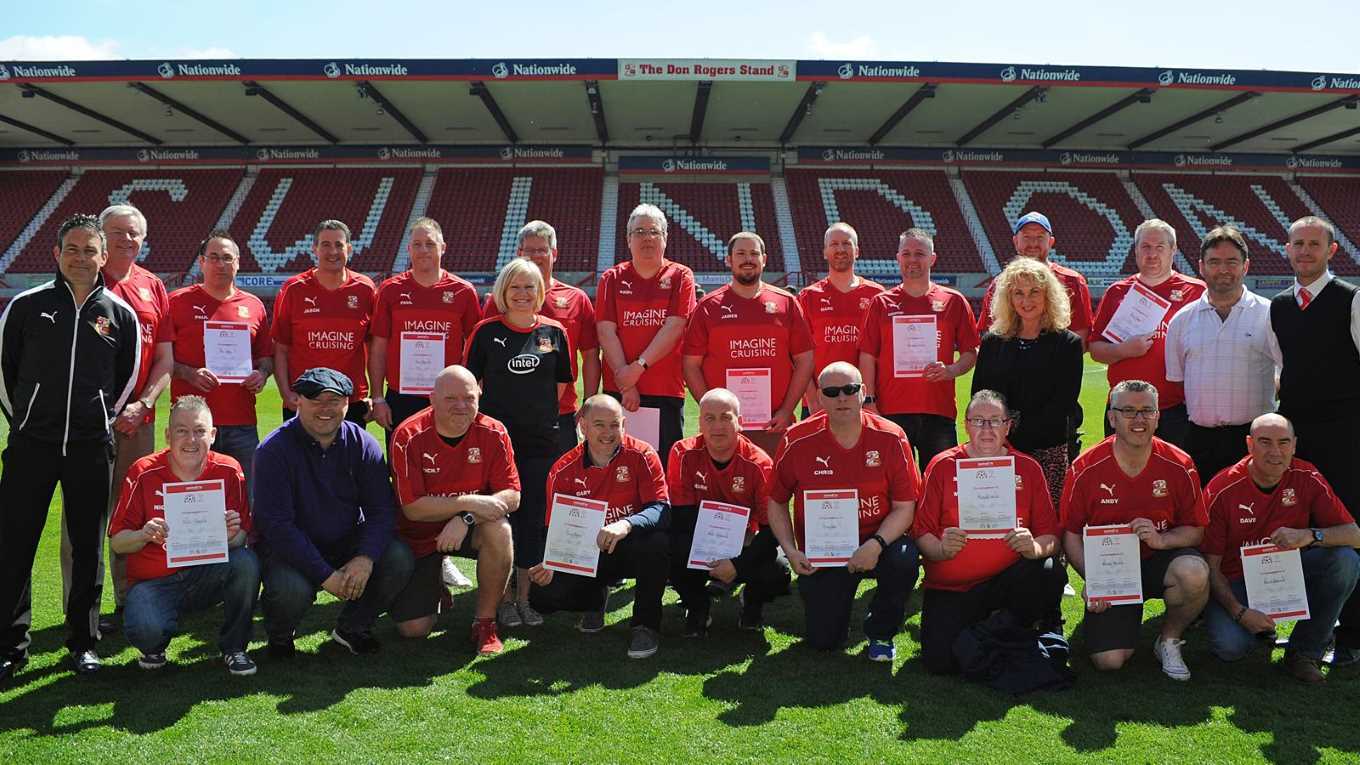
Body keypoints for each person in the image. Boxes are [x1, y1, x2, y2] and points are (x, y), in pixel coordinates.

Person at [0, 214, 142, 680]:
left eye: (90, 250)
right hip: (31, 446)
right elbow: (5, 372)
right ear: (57, 254)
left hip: (88, 448)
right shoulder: (25, 306)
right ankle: (9, 645)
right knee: (14, 544)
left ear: (104, 258)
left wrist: (98, 419)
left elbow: (124, 380)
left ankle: (83, 642)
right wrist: (24, 420)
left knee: (87, 547)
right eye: (73, 249)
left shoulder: (120, 315)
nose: (81, 258)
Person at [252, 368, 414, 657]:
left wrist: (364, 559)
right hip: (291, 547)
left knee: (397, 557)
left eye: (334, 400)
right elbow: (277, 526)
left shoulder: (363, 444)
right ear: (297, 401)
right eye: (316, 400)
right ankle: (280, 636)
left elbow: (381, 510)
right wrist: (327, 576)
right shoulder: (273, 450)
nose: (325, 409)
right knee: (289, 588)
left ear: (347, 404)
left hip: (345, 539)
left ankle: (352, 628)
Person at [766, 362, 921, 660]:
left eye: (850, 390)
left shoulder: (892, 436)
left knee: (904, 559)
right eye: (832, 392)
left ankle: (881, 631)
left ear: (863, 393)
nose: (842, 398)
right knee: (823, 641)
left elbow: (905, 507)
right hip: (826, 550)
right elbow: (775, 500)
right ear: (819, 399)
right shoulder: (797, 439)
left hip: (879, 540)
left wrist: (875, 545)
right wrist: (790, 549)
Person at [1062, 380, 1210, 680]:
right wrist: (1095, 578)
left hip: (1158, 559)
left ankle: (1168, 639)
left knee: (1193, 572)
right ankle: (1115, 618)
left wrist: (1161, 539)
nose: (1138, 419)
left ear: (1158, 417)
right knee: (1109, 662)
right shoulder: (1085, 467)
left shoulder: (1180, 464)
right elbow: (1070, 534)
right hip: (1111, 571)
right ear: (1111, 417)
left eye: (1147, 411)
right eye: (1128, 411)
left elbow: (1196, 530)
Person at [1201, 413, 1360, 683]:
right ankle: (1258, 630)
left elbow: (1354, 535)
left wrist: (1310, 535)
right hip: (1237, 583)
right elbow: (1210, 567)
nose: (1276, 452)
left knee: (1345, 560)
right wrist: (1240, 613)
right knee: (1230, 648)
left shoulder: (1307, 475)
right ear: (1250, 444)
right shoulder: (1223, 488)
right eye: (1265, 442)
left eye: (1284, 442)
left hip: (1288, 577)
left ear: (1295, 445)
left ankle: (1304, 652)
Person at [913, 390, 1063, 674]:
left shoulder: (1028, 468)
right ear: (966, 424)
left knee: (1048, 570)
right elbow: (922, 532)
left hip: (1006, 584)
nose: (987, 428)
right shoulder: (942, 465)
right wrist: (940, 549)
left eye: (995, 420)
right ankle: (996, 631)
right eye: (978, 420)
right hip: (952, 587)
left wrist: (1034, 547)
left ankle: (1006, 623)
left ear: (1008, 426)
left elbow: (1051, 538)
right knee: (939, 664)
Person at [108, 396, 260, 676]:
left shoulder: (229, 470)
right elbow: (118, 541)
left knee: (246, 563)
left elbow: (242, 538)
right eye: (181, 430)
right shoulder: (143, 471)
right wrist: (144, 534)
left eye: (200, 431)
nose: (191, 439)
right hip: (156, 582)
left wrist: (230, 535)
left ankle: (235, 647)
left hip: (207, 574)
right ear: (168, 435)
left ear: (212, 435)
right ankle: (155, 642)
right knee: (146, 630)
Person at [1268, 216, 1360, 667]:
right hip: (1299, 442)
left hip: (1346, 437)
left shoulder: (1352, 300)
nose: (1304, 251)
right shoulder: (1281, 305)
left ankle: (1354, 637)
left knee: (1351, 530)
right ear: (1286, 249)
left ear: (1331, 251)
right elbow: (1285, 373)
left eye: (1313, 244)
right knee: (1304, 530)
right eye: (1297, 244)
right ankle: (1312, 631)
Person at [79, 204, 175, 633]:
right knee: (84, 513)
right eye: (117, 232)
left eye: (134, 233)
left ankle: (123, 599)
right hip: (87, 419)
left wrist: (143, 403)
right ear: (101, 235)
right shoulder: (83, 281)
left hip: (139, 420)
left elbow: (165, 358)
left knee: (130, 511)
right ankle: (80, 607)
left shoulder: (153, 285)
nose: (126, 240)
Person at [466, 259, 573, 628]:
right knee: (499, 519)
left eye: (530, 287)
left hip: (541, 443)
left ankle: (525, 599)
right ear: (503, 292)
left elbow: (559, 388)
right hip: (497, 447)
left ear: (541, 291)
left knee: (532, 521)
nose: (523, 294)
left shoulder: (555, 332)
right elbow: (472, 387)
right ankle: (502, 600)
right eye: (516, 287)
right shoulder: (485, 332)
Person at [527, 395, 671, 659]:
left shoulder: (643, 454)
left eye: (614, 425)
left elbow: (661, 509)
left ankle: (645, 625)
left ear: (624, 425)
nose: (608, 433)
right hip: (587, 555)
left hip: (631, 547)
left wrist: (626, 524)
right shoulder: (563, 470)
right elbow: (554, 528)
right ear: (583, 426)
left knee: (658, 542)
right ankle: (594, 600)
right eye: (599, 425)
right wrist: (550, 562)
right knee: (542, 594)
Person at [389, 366, 519, 655]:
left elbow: (512, 496)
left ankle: (485, 623)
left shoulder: (494, 431)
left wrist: (465, 517)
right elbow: (412, 509)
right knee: (413, 629)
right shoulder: (408, 435)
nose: (461, 406)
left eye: (469, 398)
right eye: (451, 399)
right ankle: (432, 583)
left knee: (499, 530)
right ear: (432, 399)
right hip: (419, 533)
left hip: (470, 527)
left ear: (479, 396)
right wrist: (467, 502)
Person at [666, 388, 790, 635]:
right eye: (709, 418)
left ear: (740, 422)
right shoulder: (682, 453)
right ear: (699, 422)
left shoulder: (760, 463)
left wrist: (737, 565)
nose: (717, 425)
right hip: (700, 539)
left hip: (746, 540)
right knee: (667, 548)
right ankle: (698, 604)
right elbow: (681, 516)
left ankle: (752, 600)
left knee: (778, 571)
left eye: (726, 417)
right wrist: (707, 555)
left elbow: (771, 530)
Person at [1164, 226, 1281, 484]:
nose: (1223, 270)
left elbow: (1285, 372)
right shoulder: (1181, 321)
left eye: (1232, 262)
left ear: (1246, 266)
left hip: (1253, 440)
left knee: (1253, 516)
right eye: (1214, 262)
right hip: (1199, 439)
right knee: (1203, 517)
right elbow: (1178, 379)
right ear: (1202, 267)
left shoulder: (1270, 314)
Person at [682, 231, 814, 455]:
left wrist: (786, 410)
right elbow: (690, 365)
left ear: (764, 259)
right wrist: (711, 413)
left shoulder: (787, 304)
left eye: (754, 253)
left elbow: (805, 360)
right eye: (740, 253)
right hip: (724, 428)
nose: (748, 259)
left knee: (773, 489)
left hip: (773, 424)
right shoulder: (707, 307)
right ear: (728, 259)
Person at [859, 228, 979, 467]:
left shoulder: (953, 301)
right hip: (890, 410)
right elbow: (867, 355)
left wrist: (951, 370)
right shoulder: (881, 303)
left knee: (941, 483)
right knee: (893, 486)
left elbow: (971, 351)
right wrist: (869, 401)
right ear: (898, 258)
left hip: (938, 410)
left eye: (920, 253)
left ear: (932, 258)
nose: (912, 260)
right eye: (907, 253)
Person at [972, 257, 1084, 510]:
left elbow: (1062, 403)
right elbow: (980, 395)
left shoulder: (1068, 344)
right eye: (1018, 293)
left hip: (1047, 450)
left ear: (1048, 295)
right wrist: (1002, 435)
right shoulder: (992, 342)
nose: (1026, 300)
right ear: (1008, 298)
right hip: (999, 448)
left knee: (1045, 520)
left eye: (1035, 292)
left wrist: (1016, 431)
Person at [168, 231, 273, 498]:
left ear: (238, 263)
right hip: (190, 424)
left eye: (227, 258)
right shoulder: (177, 302)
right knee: (192, 498)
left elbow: (266, 358)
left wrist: (261, 374)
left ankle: (245, 543)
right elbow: (161, 358)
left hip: (241, 422)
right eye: (213, 257)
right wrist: (188, 374)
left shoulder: (254, 306)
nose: (221, 264)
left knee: (247, 498)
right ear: (202, 262)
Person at [482, 220, 601, 454]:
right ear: (518, 253)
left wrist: (588, 401)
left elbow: (590, 355)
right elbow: (483, 355)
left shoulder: (576, 299)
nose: (536, 256)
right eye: (529, 251)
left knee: (557, 482)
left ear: (554, 253)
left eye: (542, 250)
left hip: (560, 413)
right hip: (507, 413)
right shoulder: (499, 302)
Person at [1090, 219, 1205, 447]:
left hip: (1175, 408)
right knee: (1121, 475)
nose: (1152, 254)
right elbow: (1096, 349)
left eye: (1160, 247)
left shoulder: (1196, 292)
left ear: (1173, 250)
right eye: (1146, 247)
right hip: (1124, 408)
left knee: (1175, 476)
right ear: (1136, 251)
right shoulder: (1118, 292)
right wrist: (1123, 350)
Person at [596, 203, 697, 461]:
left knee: (661, 469)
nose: (647, 238)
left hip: (665, 389)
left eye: (654, 232)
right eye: (639, 232)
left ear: (665, 238)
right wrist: (625, 381)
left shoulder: (681, 276)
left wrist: (637, 369)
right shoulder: (612, 277)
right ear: (628, 239)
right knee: (615, 467)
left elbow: (675, 326)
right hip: (618, 390)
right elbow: (606, 331)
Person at [369, 217, 481, 438]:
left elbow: (476, 347)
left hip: (450, 397)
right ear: (409, 249)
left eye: (430, 244)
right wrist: (378, 398)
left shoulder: (463, 291)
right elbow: (379, 347)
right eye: (417, 245)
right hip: (401, 396)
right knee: (402, 466)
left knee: (451, 467)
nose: (423, 250)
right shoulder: (390, 290)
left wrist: (474, 389)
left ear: (443, 248)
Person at [271, 220, 376, 423]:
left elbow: (374, 348)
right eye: (326, 245)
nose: (333, 251)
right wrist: (285, 393)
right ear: (315, 249)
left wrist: (375, 395)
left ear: (349, 248)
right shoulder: (293, 289)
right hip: (303, 399)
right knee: (300, 456)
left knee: (348, 456)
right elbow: (280, 348)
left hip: (350, 400)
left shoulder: (365, 289)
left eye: (339, 244)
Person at [797, 223, 884, 414]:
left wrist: (870, 398)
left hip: (863, 400)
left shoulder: (877, 295)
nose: (840, 249)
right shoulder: (807, 297)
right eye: (834, 244)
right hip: (821, 401)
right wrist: (812, 398)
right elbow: (797, 355)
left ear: (857, 250)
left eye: (846, 243)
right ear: (825, 252)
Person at [977, 211, 1094, 342]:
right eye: (1026, 237)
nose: (1033, 243)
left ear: (1050, 242)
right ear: (1016, 241)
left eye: (1040, 237)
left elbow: (1080, 338)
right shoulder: (1000, 283)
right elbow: (989, 331)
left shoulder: (1073, 281)